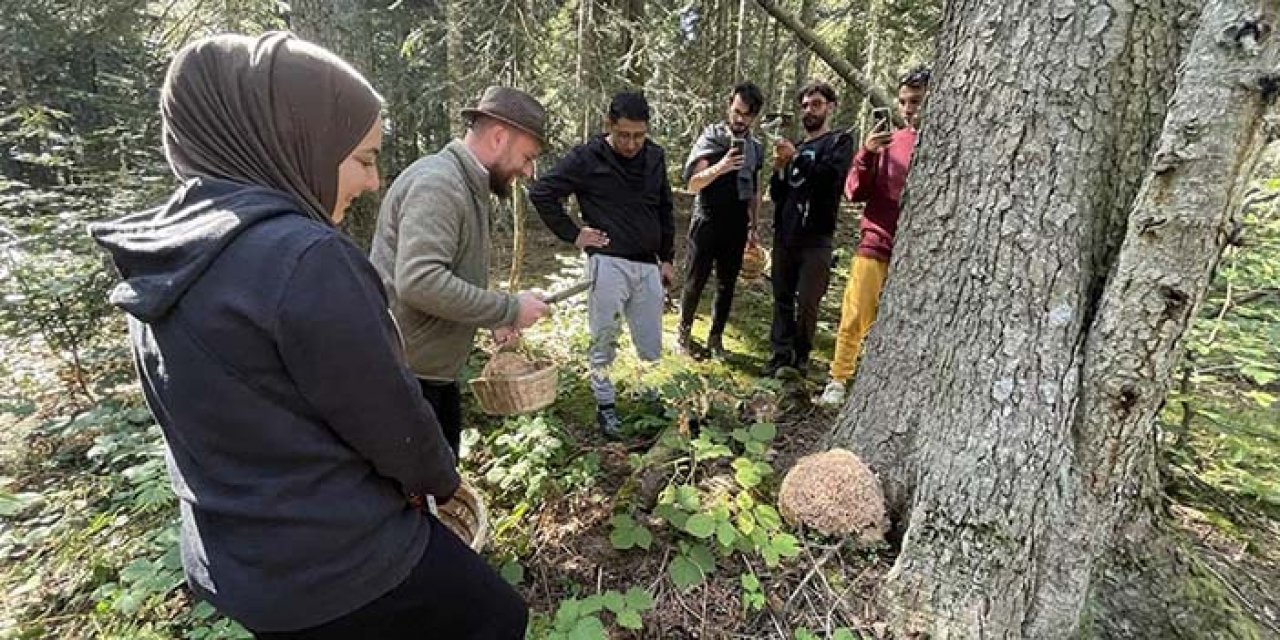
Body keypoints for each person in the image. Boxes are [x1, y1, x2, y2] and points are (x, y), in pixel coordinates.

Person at [89, 33, 527, 638]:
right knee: (501, 617)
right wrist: (440, 482)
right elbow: (392, 420)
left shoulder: (163, 250)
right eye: (364, 160)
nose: (374, 183)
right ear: (297, 143)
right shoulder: (304, 257)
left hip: (239, 567)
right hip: (338, 563)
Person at [370, 86, 550, 458]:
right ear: (499, 137)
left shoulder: (466, 185)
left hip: (430, 376)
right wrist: (508, 309)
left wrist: (492, 318)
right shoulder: (440, 184)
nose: (529, 171)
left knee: (439, 489)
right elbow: (419, 282)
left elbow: (448, 277)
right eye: (528, 156)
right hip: (404, 382)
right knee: (419, 499)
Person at [528, 91, 675, 438]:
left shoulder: (654, 156)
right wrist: (575, 234)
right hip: (608, 262)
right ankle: (606, 406)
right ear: (609, 125)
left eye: (639, 135)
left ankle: (653, 398)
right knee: (605, 337)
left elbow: (665, 207)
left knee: (651, 339)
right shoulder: (587, 157)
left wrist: (667, 258)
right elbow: (542, 192)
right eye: (623, 134)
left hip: (648, 265)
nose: (631, 143)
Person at [818, 68, 930, 406]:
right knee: (855, 313)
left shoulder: (947, 147)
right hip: (876, 242)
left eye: (917, 101)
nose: (909, 109)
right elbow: (854, 191)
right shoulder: (888, 143)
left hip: (920, 252)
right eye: (904, 102)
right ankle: (839, 378)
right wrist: (867, 152)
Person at [764, 81, 855, 378]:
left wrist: (797, 158)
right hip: (786, 234)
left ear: (830, 107)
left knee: (808, 301)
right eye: (804, 105)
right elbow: (778, 195)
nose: (809, 111)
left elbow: (830, 179)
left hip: (817, 236)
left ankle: (800, 358)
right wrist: (779, 168)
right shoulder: (797, 147)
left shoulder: (838, 142)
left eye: (815, 104)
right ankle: (779, 356)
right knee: (781, 297)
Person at [676, 82, 766, 359]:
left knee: (727, 284)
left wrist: (753, 225)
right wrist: (722, 166)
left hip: (737, 222)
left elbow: (754, 188)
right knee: (695, 279)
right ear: (729, 106)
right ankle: (683, 336)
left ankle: (716, 339)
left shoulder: (756, 148)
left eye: (747, 115)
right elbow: (692, 183)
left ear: (754, 117)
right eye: (737, 111)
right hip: (708, 218)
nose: (740, 119)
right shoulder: (711, 138)